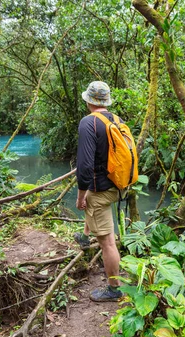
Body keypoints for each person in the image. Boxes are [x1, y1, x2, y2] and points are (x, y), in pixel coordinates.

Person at [75, 81, 123, 302]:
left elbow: (84, 167)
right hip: (117, 185)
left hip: (100, 189)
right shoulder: (116, 120)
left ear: (88, 101)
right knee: (92, 203)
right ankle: (85, 238)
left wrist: (80, 195)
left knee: (108, 243)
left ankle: (114, 289)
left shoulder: (88, 123)